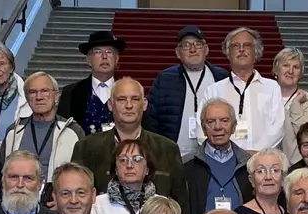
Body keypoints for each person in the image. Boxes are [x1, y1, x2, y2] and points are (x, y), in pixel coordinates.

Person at [71, 79, 187, 203]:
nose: (129, 105)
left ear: (144, 104)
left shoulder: (167, 149)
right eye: (121, 99)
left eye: (135, 99)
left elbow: (180, 205)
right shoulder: (86, 148)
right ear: (110, 104)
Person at [197, 27, 285, 154]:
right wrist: (230, 154)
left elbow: (278, 127)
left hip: (262, 161)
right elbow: (202, 127)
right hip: (223, 159)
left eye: (247, 45)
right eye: (235, 45)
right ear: (228, 53)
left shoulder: (272, 87)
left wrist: (258, 153)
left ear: (257, 52)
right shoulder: (213, 90)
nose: (241, 49)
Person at [146, 25, 229, 158]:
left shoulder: (221, 77)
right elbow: (151, 118)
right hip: (173, 155)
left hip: (214, 155)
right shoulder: (165, 78)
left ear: (206, 49)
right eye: (186, 45)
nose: (192, 49)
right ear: (178, 53)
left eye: (198, 44)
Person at [182, 99, 254, 214]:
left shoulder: (249, 165)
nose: (218, 127)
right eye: (211, 121)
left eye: (224, 120)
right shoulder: (186, 165)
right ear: (203, 128)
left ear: (234, 126)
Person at [1, 73, 86, 188]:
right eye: (32, 92)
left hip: (56, 200)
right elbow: (3, 172)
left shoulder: (72, 131)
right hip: (19, 196)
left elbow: (81, 174)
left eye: (45, 91)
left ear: (56, 96)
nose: (39, 97)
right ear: (26, 97)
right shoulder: (14, 131)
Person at [91, 138, 159, 214]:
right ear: (116, 169)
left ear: (147, 168)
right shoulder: (98, 205)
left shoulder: (161, 204)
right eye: (123, 160)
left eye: (137, 159)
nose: (129, 165)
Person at [61, 30, 126, 134]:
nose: (104, 57)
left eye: (109, 52)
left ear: (117, 59)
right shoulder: (71, 92)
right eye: (98, 52)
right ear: (89, 60)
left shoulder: (130, 91)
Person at [273, 48, 308, 167]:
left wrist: (296, 105)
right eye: (286, 65)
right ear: (276, 69)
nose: (290, 71)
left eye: (296, 67)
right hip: (268, 165)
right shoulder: (265, 98)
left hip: (297, 168)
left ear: (300, 73)